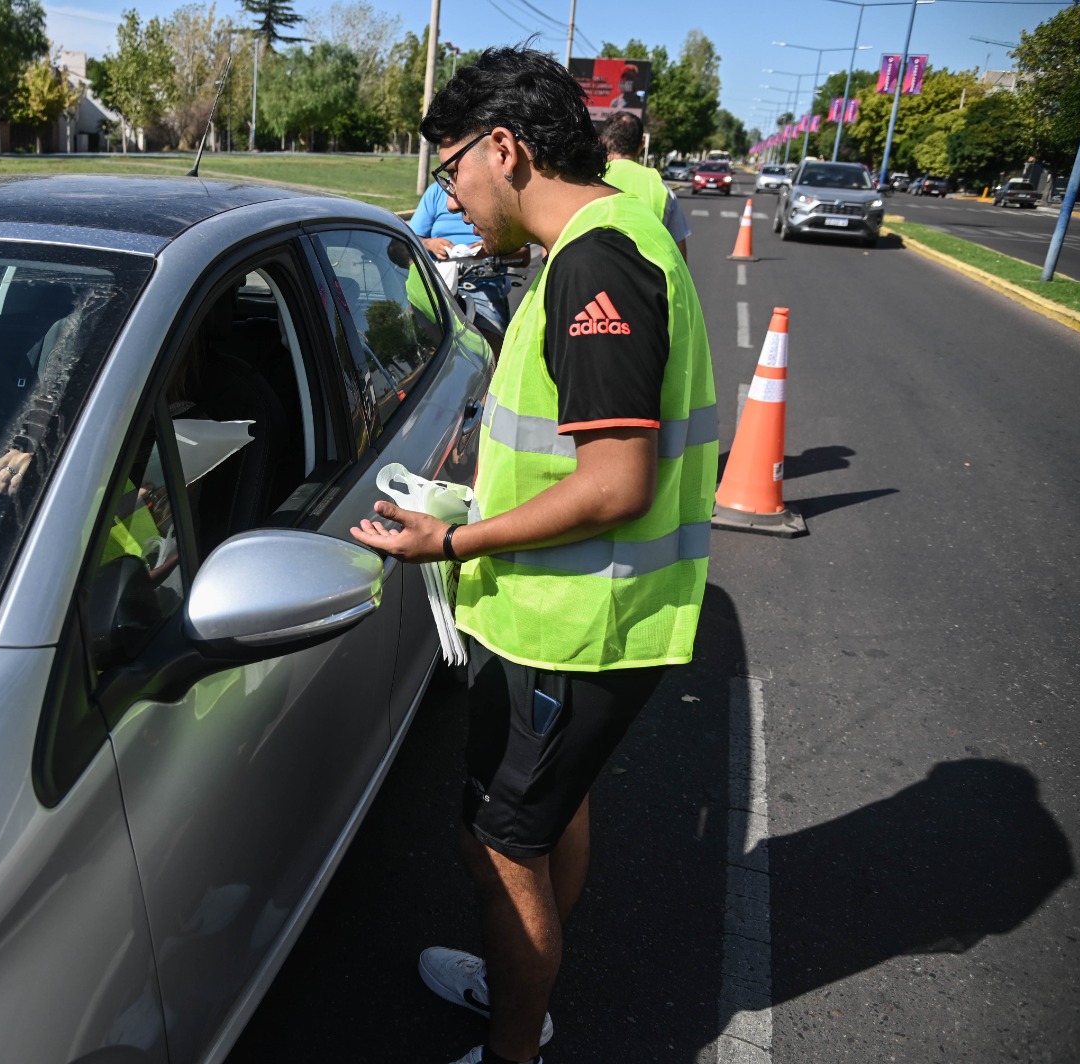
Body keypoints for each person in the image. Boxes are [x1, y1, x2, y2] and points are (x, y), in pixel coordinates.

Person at [350, 46, 716, 1064]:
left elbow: (615, 483)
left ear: (501, 149)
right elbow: (575, 446)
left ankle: (516, 1040)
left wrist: (452, 536)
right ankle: (520, 976)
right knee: (542, 823)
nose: (447, 195)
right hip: (568, 620)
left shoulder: (595, 263)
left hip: (574, 626)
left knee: (503, 848)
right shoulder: (602, 242)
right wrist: (479, 486)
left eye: (448, 170)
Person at [408, 177, 525, 334]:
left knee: (490, 345)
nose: (452, 206)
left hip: (482, 286)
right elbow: (410, 240)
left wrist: (494, 250)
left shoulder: (497, 192)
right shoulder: (435, 192)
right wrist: (429, 244)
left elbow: (524, 256)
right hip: (438, 284)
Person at [600, 112, 690, 260]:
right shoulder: (660, 186)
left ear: (603, 141)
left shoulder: (588, 179)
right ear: (641, 144)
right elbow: (678, 251)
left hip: (595, 278)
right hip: (647, 279)